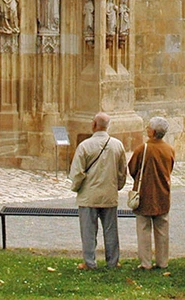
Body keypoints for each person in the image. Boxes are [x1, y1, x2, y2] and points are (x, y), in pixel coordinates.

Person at [69, 112, 127, 269]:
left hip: (89, 195)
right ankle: (113, 262)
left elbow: (77, 172)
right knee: (111, 230)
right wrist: (117, 186)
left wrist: (76, 187)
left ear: (94, 125)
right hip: (109, 194)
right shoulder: (117, 145)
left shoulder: (85, 146)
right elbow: (122, 172)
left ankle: (89, 262)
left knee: (88, 231)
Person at [129, 116, 176, 269]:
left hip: (145, 193)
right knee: (162, 229)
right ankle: (162, 261)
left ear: (153, 132)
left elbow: (132, 168)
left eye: (148, 127)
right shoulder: (169, 149)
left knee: (143, 229)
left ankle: (145, 262)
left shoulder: (143, 149)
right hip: (163, 193)